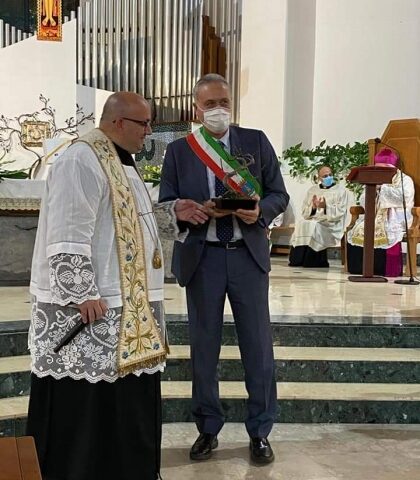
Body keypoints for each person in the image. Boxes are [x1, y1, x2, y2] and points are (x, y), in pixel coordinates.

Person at [26, 91, 208, 480]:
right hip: (97, 310)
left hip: (128, 309)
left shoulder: (120, 162)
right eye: (145, 124)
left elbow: (126, 226)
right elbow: (67, 232)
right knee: (87, 409)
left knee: (122, 406)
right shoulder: (81, 158)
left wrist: (170, 212)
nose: (150, 133)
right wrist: (82, 293)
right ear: (119, 122)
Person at [159, 73, 289, 464]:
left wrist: (258, 211)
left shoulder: (256, 141)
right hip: (205, 257)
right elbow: (166, 204)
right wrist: (189, 209)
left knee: (258, 348)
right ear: (196, 108)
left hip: (247, 256)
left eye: (224, 102)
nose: (218, 110)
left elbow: (279, 193)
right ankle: (207, 428)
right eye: (210, 104)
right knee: (204, 349)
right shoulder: (181, 150)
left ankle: (260, 431)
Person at [347, 148, 414, 276]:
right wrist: (374, 189)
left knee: (389, 231)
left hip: (395, 216)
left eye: (382, 170)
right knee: (359, 229)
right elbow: (363, 200)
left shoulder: (404, 180)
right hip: (374, 214)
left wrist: (382, 188)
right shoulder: (372, 178)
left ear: (391, 168)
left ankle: (385, 269)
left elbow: (404, 197)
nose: (379, 173)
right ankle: (360, 268)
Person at [289, 166, 348, 268]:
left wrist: (326, 206)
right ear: (319, 178)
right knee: (302, 224)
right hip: (315, 219)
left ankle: (314, 261)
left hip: (331, 224)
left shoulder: (340, 190)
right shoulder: (313, 190)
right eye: (325, 176)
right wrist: (314, 207)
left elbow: (341, 211)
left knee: (314, 226)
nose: (328, 177)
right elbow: (304, 211)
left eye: (330, 175)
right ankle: (298, 260)